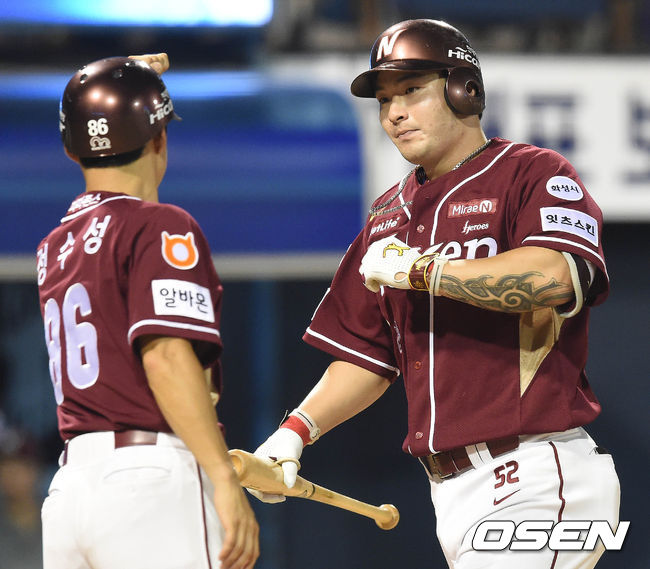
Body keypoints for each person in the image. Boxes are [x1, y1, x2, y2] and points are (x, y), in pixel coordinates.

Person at [249, 19, 621, 569]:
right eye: (384, 99)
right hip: (450, 492)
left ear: (463, 89)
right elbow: (367, 355)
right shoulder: (386, 215)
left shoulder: (531, 173)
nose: (394, 113)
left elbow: (553, 277)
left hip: (536, 470)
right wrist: (295, 431)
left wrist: (425, 271)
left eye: (411, 90)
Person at [36, 54, 259, 569]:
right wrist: (222, 477)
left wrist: (110, 87)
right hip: (149, 481)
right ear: (159, 138)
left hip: (70, 490)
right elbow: (165, 358)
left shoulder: (54, 247)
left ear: (72, 150)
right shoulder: (159, 224)